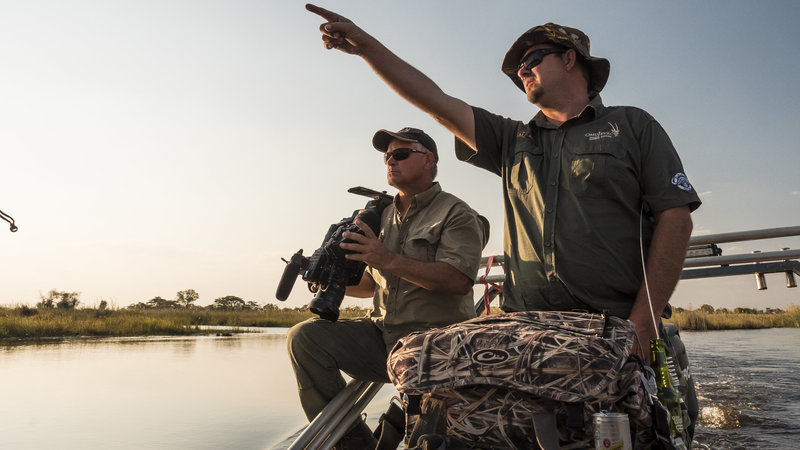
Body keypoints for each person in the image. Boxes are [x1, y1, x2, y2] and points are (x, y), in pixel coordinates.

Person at [305, 5, 701, 364]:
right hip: (526, 329)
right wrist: (366, 47)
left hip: (612, 324)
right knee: (427, 380)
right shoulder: (512, 140)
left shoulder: (632, 126)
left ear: (569, 58)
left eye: (531, 59)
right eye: (518, 71)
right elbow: (433, 99)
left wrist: (643, 322)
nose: (523, 71)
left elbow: (676, 220)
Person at [286, 127, 489, 449]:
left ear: (428, 160)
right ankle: (356, 445)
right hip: (384, 337)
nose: (390, 161)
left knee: (428, 437)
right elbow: (371, 285)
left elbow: (457, 280)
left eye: (401, 154)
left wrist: (387, 258)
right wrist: (329, 278)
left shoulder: (457, 213)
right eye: (387, 156)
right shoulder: (379, 217)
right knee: (306, 337)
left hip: (435, 343)